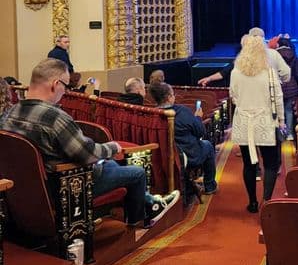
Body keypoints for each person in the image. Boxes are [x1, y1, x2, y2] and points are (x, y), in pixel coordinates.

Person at [2, 58, 178, 226]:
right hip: (66, 189)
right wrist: (112, 147)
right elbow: (86, 154)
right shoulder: (54, 117)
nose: (66, 91)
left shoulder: (11, 113)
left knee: (110, 166)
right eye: (66, 86)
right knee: (137, 173)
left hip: (29, 191)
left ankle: (149, 203)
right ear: (56, 85)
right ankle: (139, 221)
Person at [230, 34, 284, 214]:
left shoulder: (235, 72)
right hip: (265, 122)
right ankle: (267, 201)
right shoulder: (269, 72)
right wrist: (282, 121)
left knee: (248, 164)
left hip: (244, 122)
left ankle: (252, 202)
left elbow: (233, 96)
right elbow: (278, 97)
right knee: (270, 164)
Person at [150, 81, 217, 195]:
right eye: (173, 94)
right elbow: (200, 132)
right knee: (208, 146)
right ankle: (210, 186)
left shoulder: (151, 113)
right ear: (169, 97)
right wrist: (198, 118)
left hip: (160, 157)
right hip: (186, 155)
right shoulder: (182, 111)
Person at [277, 35, 298, 137]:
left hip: (279, 85)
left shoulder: (275, 54)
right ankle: (290, 133)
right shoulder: (293, 54)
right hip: (291, 86)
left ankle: (280, 135)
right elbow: (296, 73)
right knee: (289, 110)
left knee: (278, 111)